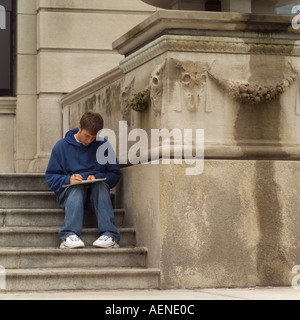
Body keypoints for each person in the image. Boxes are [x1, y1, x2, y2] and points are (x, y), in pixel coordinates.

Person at [45, 111, 121, 249]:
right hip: (71, 195)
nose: (89, 141)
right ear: (79, 127)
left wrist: (97, 178)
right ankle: (68, 235)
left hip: (95, 197)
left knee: (100, 185)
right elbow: (51, 177)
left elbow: (115, 173)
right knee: (77, 187)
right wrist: (68, 179)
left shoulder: (103, 145)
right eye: (87, 136)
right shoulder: (61, 147)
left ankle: (110, 234)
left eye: (93, 137)